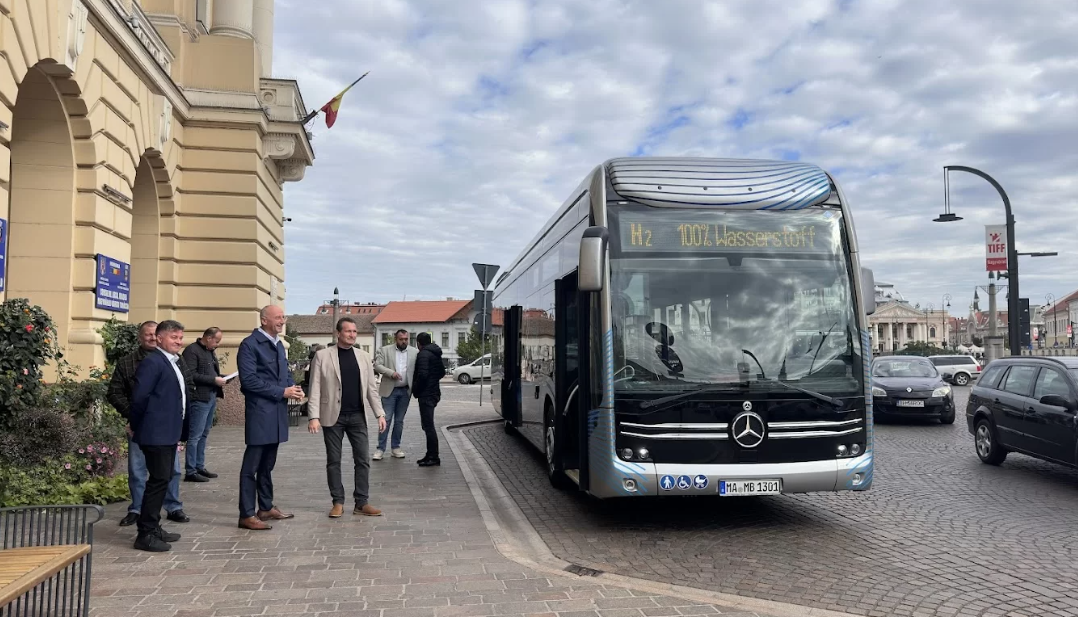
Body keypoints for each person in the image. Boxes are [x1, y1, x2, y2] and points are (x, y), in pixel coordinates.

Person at [107, 321, 190, 527]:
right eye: (149, 335)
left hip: (166, 428)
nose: (152, 338)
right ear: (140, 337)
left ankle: (172, 507)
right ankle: (140, 513)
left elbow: (183, 390)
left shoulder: (175, 361)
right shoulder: (136, 362)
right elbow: (126, 395)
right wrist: (134, 420)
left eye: (180, 338)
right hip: (144, 426)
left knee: (168, 473)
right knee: (139, 471)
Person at [307, 317, 387, 518]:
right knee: (334, 460)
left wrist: (380, 413)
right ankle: (337, 502)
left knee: (363, 459)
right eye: (348, 331)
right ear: (338, 333)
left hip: (357, 416)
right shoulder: (323, 356)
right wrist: (313, 416)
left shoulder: (363, 356)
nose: (352, 334)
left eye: (354, 331)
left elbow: (370, 388)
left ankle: (362, 502)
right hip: (332, 417)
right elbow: (315, 387)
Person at [236, 305, 303, 530]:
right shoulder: (250, 345)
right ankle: (246, 514)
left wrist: (292, 386)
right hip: (260, 413)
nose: (282, 320)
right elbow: (249, 381)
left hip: (276, 413)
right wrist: (281, 392)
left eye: (283, 316)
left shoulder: (278, 345)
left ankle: (265, 507)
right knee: (251, 466)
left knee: (267, 464)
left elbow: (285, 373)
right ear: (264, 320)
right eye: (278, 317)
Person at [128, 320, 192, 552]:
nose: (179, 341)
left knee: (162, 480)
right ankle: (145, 533)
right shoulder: (153, 362)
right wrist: (137, 425)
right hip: (155, 432)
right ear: (160, 338)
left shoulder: (171, 362)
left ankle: (153, 527)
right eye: (174, 337)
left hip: (167, 432)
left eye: (181, 337)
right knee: (157, 482)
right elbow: (139, 398)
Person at [181, 327, 227, 482]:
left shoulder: (209, 351)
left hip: (210, 396)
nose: (217, 344)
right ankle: (190, 470)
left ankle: (199, 466)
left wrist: (222, 378)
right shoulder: (192, 351)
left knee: (204, 433)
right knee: (195, 436)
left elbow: (210, 372)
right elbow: (191, 374)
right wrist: (214, 380)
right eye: (216, 341)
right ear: (208, 337)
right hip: (199, 398)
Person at [372, 329, 417, 460]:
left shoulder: (414, 352)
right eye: (401, 339)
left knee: (399, 421)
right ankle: (380, 449)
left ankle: (395, 447)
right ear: (395, 339)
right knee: (386, 419)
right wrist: (391, 373)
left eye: (406, 339)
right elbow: (377, 366)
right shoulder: (384, 350)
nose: (404, 342)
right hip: (389, 390)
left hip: (405, 391)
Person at [412, 332, 447, 467]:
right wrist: (433, 381)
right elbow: (442, 372)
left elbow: (422, 375)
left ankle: (433, 456)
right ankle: (430, 454)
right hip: (433, 392)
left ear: (418, 343)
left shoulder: (423, 355)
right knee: (428, 425)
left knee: (428, 426)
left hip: (426, 394)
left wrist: (416, 388)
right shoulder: (435, 353)